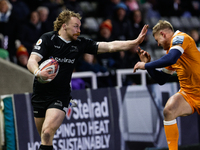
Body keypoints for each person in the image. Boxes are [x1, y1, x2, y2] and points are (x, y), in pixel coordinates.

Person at [27, 9, 148, 150]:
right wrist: (38, 72)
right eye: (75, 26)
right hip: (40, 94)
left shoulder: (80, 43)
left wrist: (134, 42)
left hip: (60, 95)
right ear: (64, 26)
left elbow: (110, 46)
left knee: (47, 133)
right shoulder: (48, 39)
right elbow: (31, 60)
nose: (79, 29)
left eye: (80, 26)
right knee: (44, 138)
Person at [133, 20, 200, 150]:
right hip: (189, 95)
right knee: (169, 111)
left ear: (163, 34)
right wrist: (149, 66)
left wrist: (145, 65)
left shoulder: (180, 38)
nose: (158, 44)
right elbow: (161, 79)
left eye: (158, 40)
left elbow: (171, 59)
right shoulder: (172, 51)